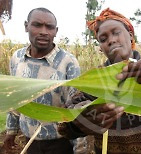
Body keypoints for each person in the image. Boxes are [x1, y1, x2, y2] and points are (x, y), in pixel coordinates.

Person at [57, 8, 141, 154]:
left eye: (116, 32)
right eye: (103, 39)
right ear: (100, 47)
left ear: (131, 36)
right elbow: (65, 124)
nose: (111, 40)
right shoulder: (94, 79)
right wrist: (79, 121)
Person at [3, 7, 82, 154]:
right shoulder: (17, 59)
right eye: (37, 25)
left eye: (49, 27)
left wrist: (79, 149)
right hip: (29, 142)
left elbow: (76, 110)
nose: (44, 31)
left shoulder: (68, 62)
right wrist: (11, 131)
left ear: (56, 31)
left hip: (60, 143)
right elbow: (15, 99)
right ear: (26, 26)